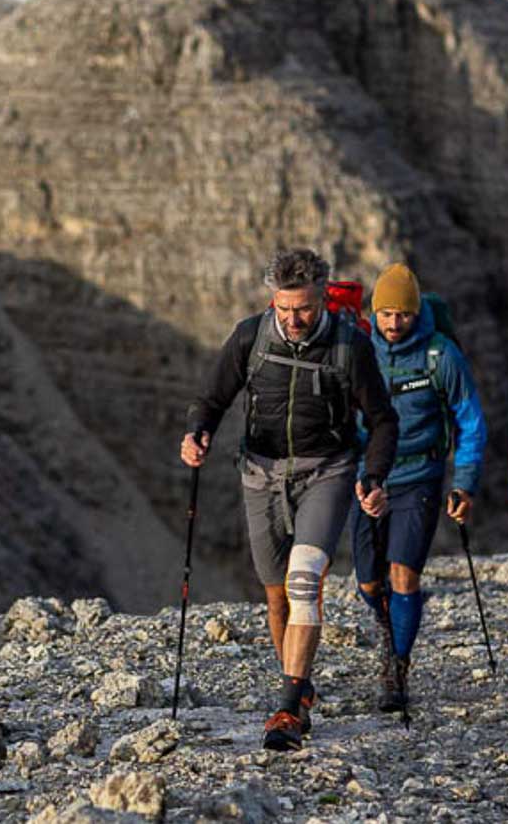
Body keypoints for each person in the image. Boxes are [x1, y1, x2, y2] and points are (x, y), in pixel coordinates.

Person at [182, 248, 398, 751]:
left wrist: (375, 475)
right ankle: (298, 690)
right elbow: (211, 400)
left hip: (328, 471)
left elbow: (383, 419)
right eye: (284, 309)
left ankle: (286, 710)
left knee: (304, 583)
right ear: (272, 301)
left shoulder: (350, 345)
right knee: (276, 593)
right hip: (259, 474)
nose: (294, 319)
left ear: (322, 297)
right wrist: (197, 433)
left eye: (303, 308)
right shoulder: (248, 337)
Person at [345, 264, 486, 714]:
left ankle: (397, 668)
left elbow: (470, 421)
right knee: (368, 580)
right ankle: (391, 628)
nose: (393, 324)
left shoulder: (440, 356)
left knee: (404, 574)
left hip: (419, 477)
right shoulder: (360, 349)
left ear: (416, 312)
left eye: (402, 314)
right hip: (369, 477)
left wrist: (463, 483)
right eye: (385, 314)